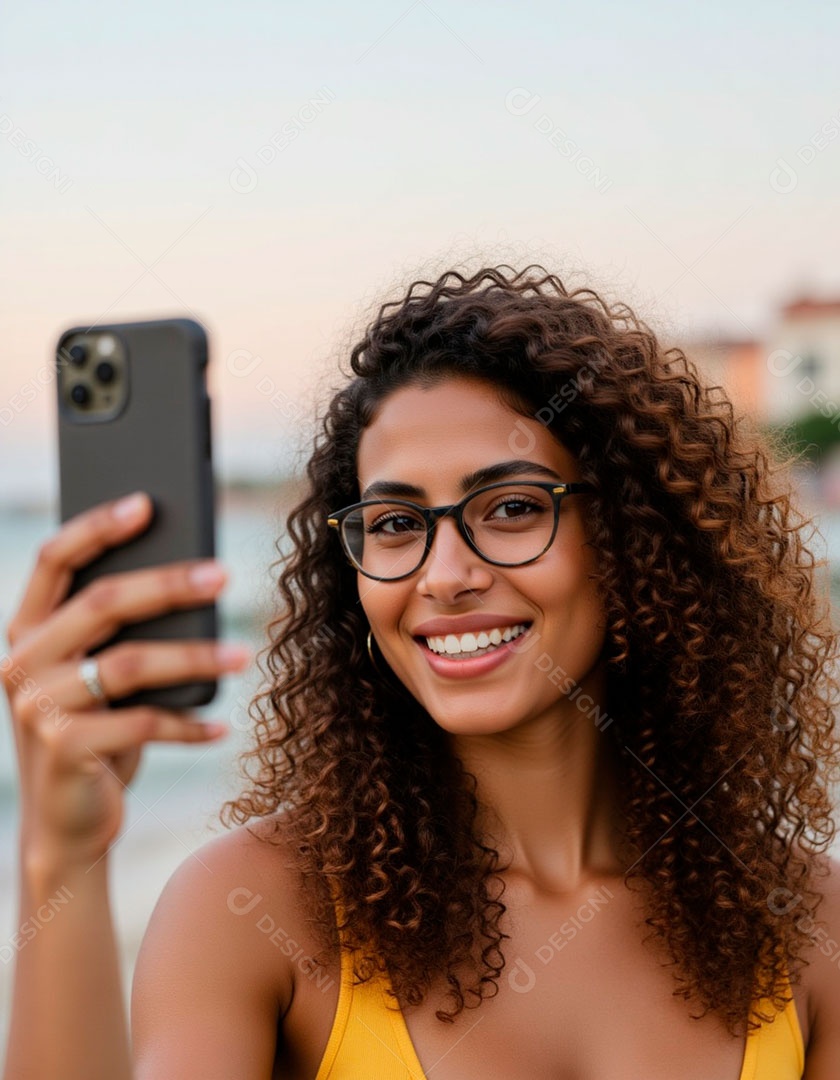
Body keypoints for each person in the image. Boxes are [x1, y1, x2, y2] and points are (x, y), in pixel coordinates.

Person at [3, 264, 840, 1080]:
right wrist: (63, 857)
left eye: (511, 507)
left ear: (638, 539)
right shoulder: (253, 911)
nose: (443, 575)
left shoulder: (809, 928)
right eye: (398, 522)